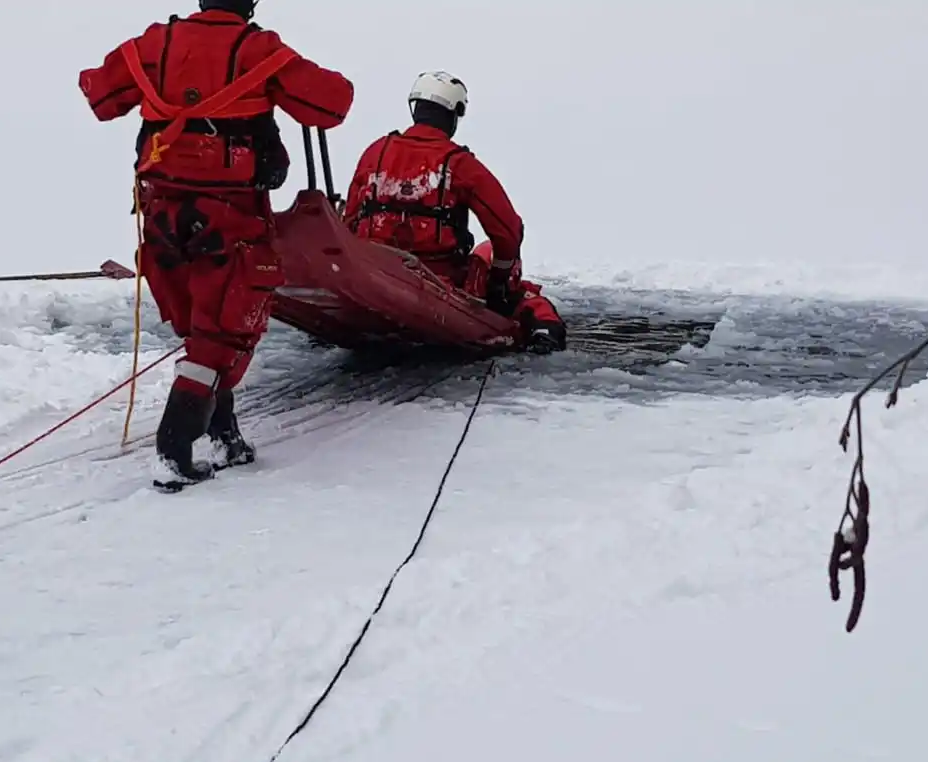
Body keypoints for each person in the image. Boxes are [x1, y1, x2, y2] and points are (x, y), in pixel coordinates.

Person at [78, 0, 354, 492]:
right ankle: (173, 449)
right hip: (229, 219)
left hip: (161, 217)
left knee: (202, 333)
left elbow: (100, 95)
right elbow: (333, 103)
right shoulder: (257, 48)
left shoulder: (153, 44)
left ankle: (224, 437)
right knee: (221, 336)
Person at [341, 71, 565, 354]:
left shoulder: (376, 152)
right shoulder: (459, 164)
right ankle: (543, 329)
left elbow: (351, 217)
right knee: (505, 271)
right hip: (439, 279)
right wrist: (500, 283)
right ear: (453, 115)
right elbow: (507, 229)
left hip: (373, 269)